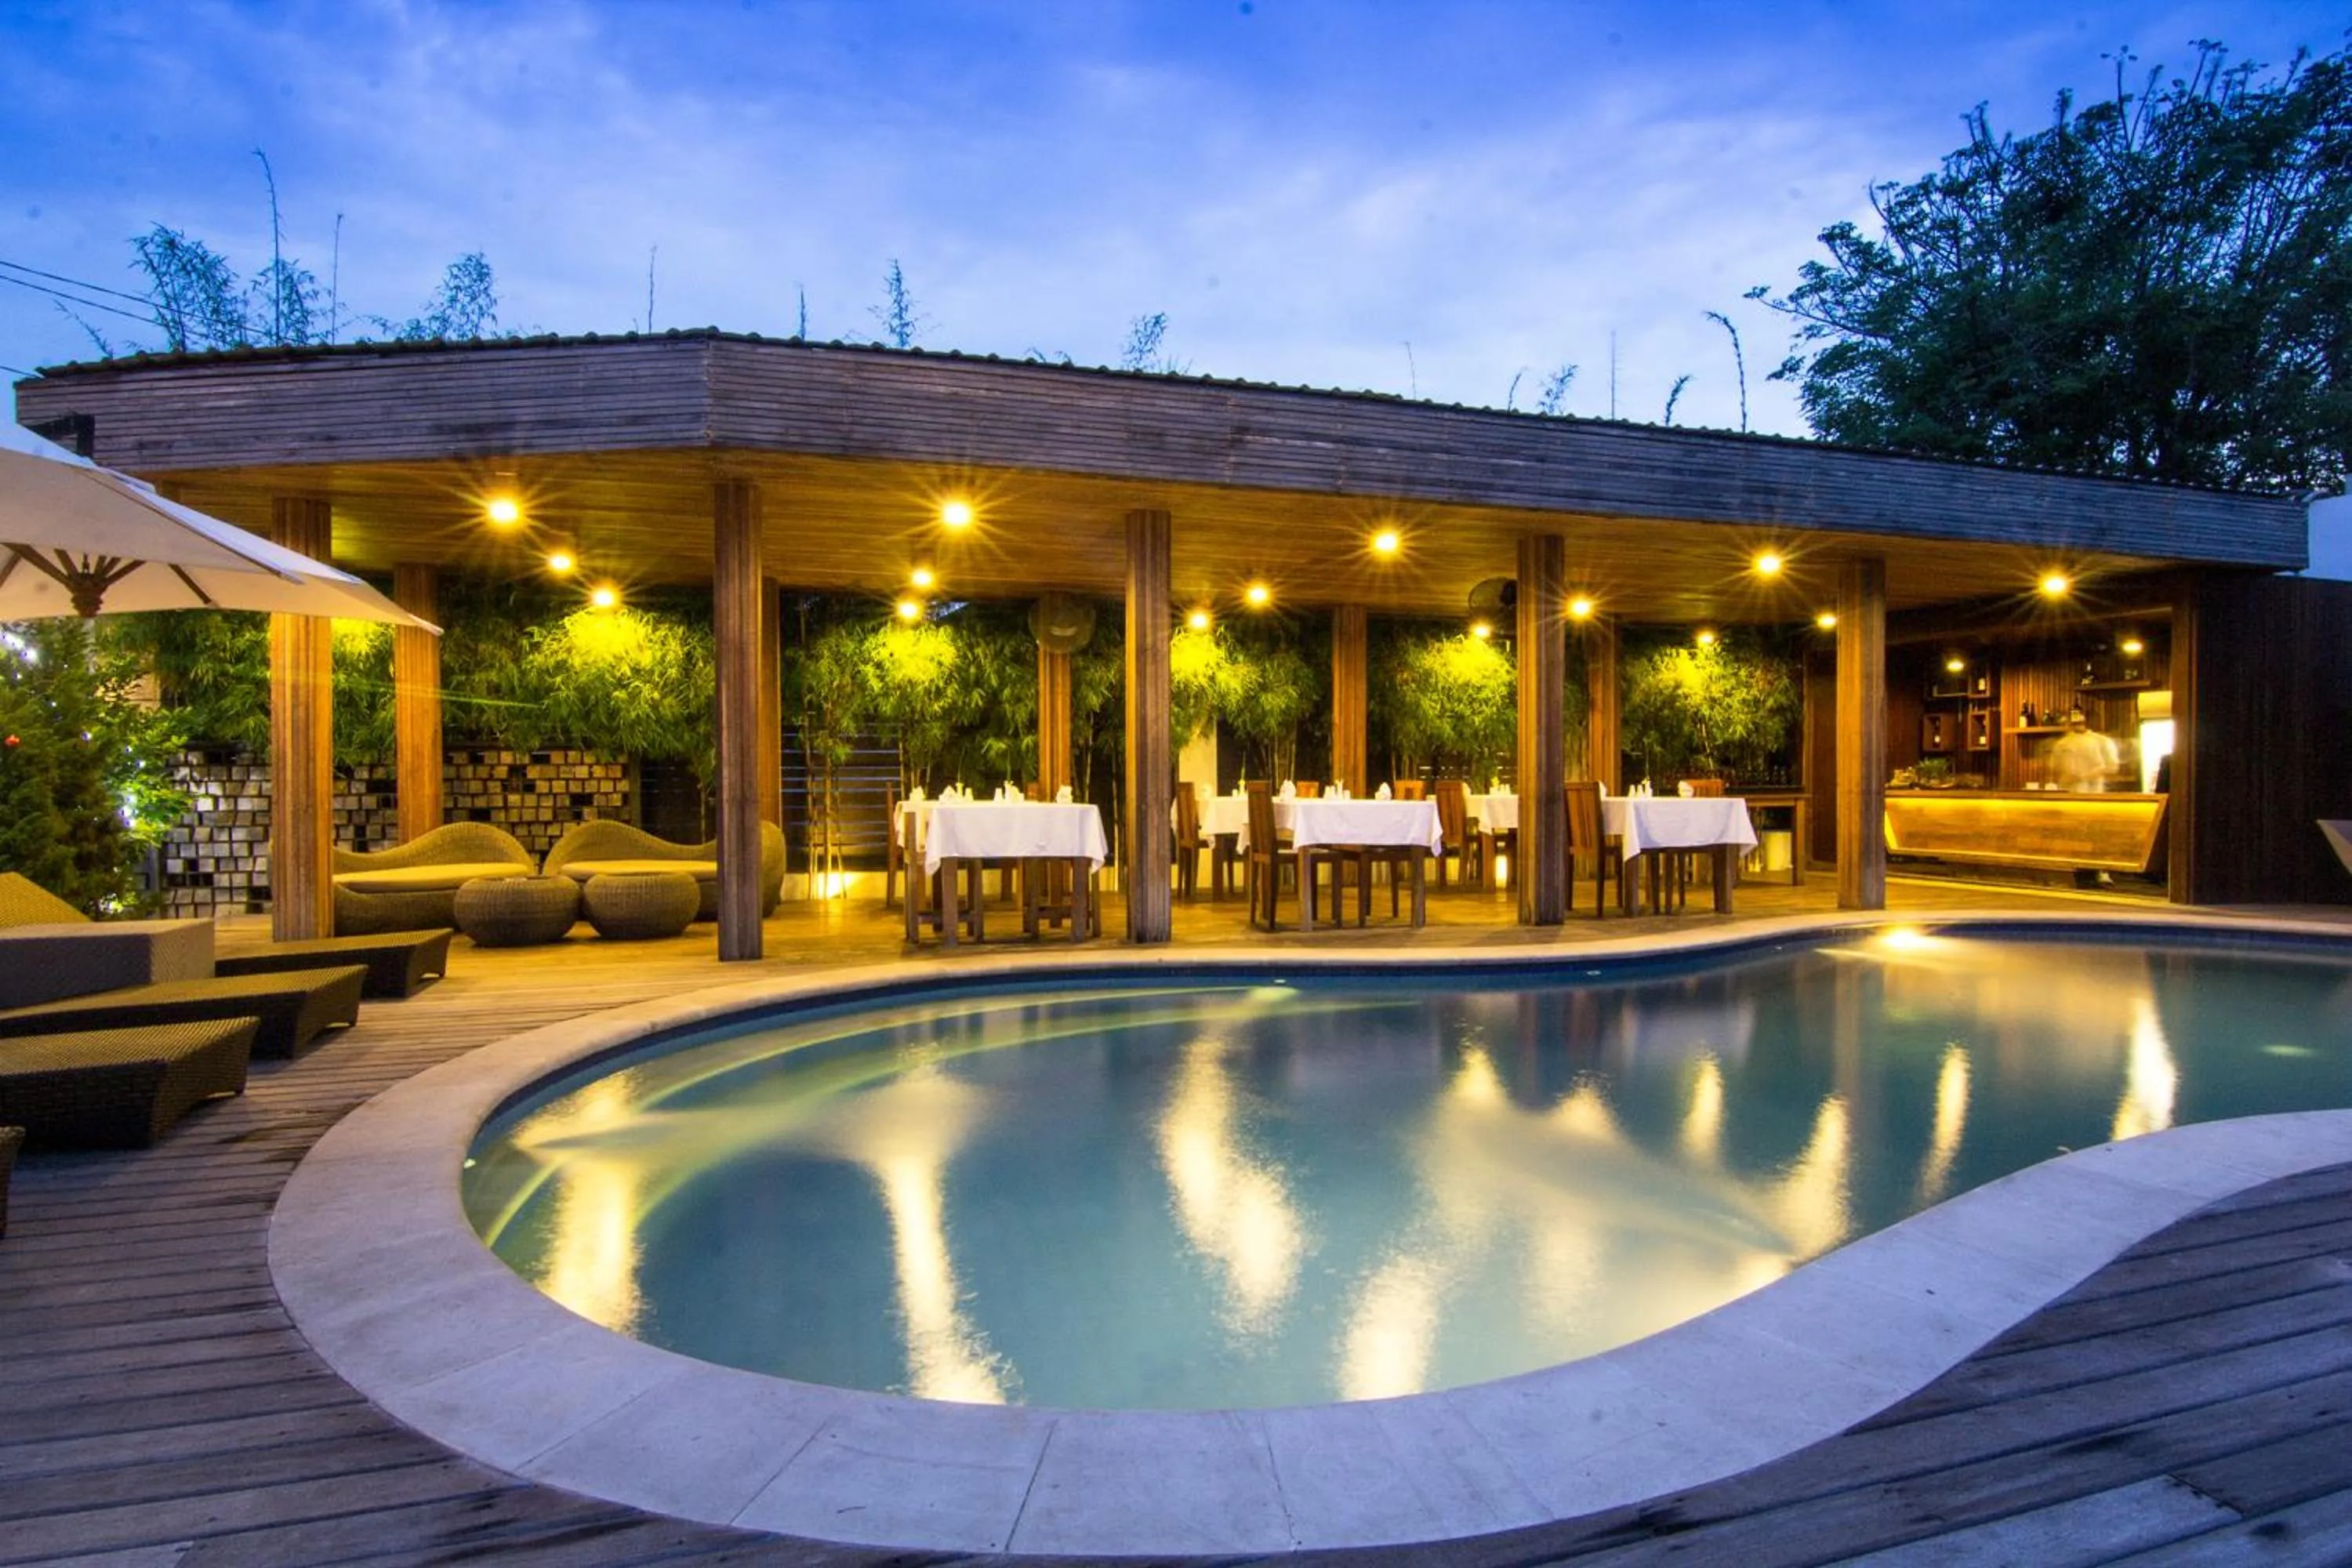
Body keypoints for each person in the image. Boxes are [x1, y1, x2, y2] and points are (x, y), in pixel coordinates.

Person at [2049, 710, 2120, 793]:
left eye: (2081, 722)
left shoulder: (2103, 741)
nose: (2078, 725)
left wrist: (2084, 776)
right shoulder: (2062, 743)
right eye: (2075, 722)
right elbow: (2055, 767)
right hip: (2067, 792)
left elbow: (2113, 767)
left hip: (2093, 792)